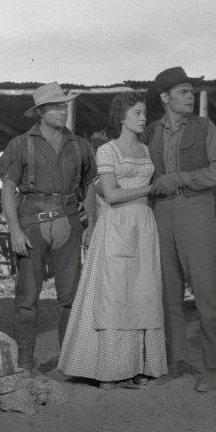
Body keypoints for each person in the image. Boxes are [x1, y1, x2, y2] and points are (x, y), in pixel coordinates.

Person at [58, 92, 167, 389]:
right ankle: (110, 369)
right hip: (118, 223)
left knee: (143, 292)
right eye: (136, 113)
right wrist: (149, 189)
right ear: (121, 118)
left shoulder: (147, 151)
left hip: (144, 224)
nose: (143, 118)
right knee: (116, 293)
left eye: (144, 113)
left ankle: (139, 365)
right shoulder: (107, 150)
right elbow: (111, 194)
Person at [0, 82, 97, 374]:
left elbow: (90, 187)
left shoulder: (80, 145)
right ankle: (25, 363)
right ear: (40, 112)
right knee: (27, 298)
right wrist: (14, 230)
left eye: (64, 106)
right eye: (55, 107)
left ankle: (69, 362)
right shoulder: (19, 144)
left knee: (70, 297)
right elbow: (8, 189)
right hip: (31, 223)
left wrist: (92, 224)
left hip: (69, 220)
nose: (62, 111)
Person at [144, 67, 216, 392]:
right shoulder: (151, 132)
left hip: (196, 210)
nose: (190, 97)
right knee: (168, 295)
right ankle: (175, 361)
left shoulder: (205, 127)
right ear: (165, 98)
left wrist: (179, 179)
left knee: (206, 294)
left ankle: (214, 367)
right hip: (160, 213)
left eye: (190, 92)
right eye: (182, 92)